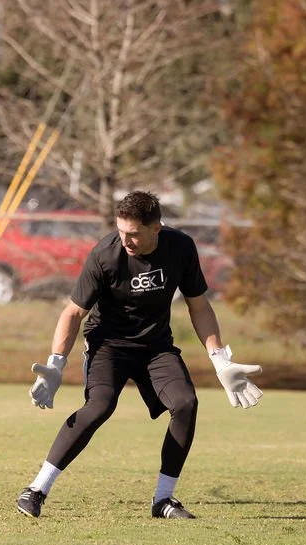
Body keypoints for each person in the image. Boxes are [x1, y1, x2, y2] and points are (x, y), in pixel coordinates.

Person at [16, 191, 262, 519]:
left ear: (156, 227)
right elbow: (73, 312)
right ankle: (36, 490)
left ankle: (163, 500)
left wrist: (220, 360)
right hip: (108, 345)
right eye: (121, 231)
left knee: (186, 403)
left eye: (133, 233)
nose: (125, 240)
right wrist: (56, 363)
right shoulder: (105, 254)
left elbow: (199, 306)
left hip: (155, 347)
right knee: (99, 406)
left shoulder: (181, 247)